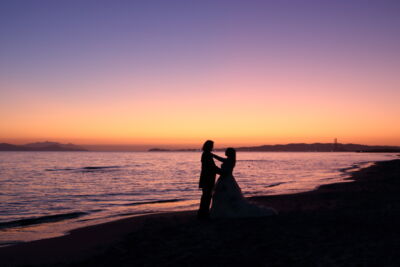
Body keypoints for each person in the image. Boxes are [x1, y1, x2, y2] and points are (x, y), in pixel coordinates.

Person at [210, 148, 277, 218]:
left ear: (230, 153)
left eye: (227, 151)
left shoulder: (230, 160)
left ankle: (225, 211)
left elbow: (224, 167)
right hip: (224, 179)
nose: (225, 152)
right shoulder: (229, 160)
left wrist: (213, 157)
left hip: (227, 179)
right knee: (223, 195)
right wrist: (213, 155)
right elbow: (221, 159)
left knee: (226, 195)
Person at [197, 140, 220, 220]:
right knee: (206, 196)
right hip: (207, 178)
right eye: (211, 146)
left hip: (206, 177)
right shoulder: (207, 155)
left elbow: (212, 167)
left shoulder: (206, 154)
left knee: (206, 196)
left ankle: (203, 213)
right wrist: (221, 172)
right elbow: (211, 167)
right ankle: (203, 214)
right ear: (208, 146)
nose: (212, 147)